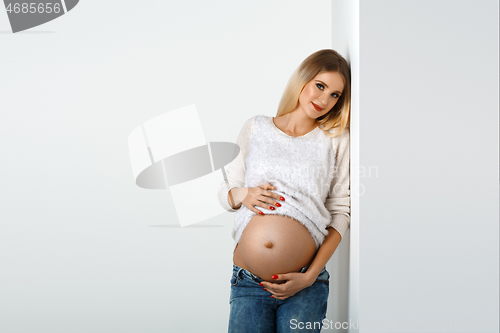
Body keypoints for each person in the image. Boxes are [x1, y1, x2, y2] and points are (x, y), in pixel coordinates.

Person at [217, 49, 351, 333]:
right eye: (320, 86)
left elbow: (341, 211)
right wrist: (244, 195)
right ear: (303, 80)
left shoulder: (335, 140)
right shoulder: (256, 128)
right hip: (248, 281)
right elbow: (226, 190)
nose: (324, 100)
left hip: (304, 286)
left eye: (335, 95)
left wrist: (310, 276)